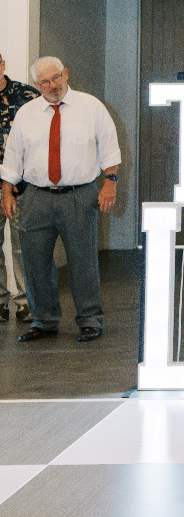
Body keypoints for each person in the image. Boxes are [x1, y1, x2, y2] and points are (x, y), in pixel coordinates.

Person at [0, 57, 121, 342]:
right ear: (36, 84)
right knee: (35, 262)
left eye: (56, 78)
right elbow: (13, 156)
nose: (52, 85)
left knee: (82, 261)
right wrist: (6, 191)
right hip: (35, 197)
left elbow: (110, 147)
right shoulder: (27, 113)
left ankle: (90, 319)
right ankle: (44, 320)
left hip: (79, 196)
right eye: (45, 81)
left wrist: (110, 184)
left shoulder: (91, 107)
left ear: (66, 74)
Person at [0, 54, 38, 325]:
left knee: (23, 247)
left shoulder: (27, 96)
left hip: (22, 184)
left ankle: (26, 303)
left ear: (2, 64)